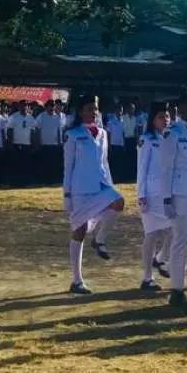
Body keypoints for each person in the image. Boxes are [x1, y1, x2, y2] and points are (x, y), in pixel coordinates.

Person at [63, 93, 125, 295]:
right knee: (78, 233)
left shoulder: (102, 133)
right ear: (80, 112)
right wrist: (67, 195)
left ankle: (99, 239)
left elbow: (104, 162)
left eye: (95, 109)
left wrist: (111, 185)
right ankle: (77, 280)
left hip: (101, 185)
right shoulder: (72, 135)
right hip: (80, 189)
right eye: (89, 109)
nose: (93, 112)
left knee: (118, 202)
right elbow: (68, 167)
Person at [160, 91, 187, 308]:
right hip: (179, 192)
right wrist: (166, 199)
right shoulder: (172, 133)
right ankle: (177, 289)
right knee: (181, 239)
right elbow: (166, 168)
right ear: (180, 110)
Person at [136, 102, 172, 291]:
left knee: (172, 231)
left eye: (167, 116)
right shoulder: (147, 139)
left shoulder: (170, 138)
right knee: (151, 235)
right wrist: (141, 194)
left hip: (167, 194)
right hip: (150, 193)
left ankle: (160, 259)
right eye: (161, 116)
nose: (165, 120)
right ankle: (147, 277)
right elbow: (141, 168)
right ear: (153, 120)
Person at [8, 100, 38, 185]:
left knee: (26, 164)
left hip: (27, 144)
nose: (24, 107)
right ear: (19, 106)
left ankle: (25, 182)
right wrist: (10, 143)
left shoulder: (31, 118)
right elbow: (9, 130)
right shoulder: (14, 116)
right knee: (16, 164)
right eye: (22, 105)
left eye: (25, 105)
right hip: (16, 144)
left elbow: (33, 132)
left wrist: (34, 144)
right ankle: (15, 182)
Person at [37, 99, 63, 184]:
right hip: (44, 144)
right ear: (46, 107)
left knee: (53, 164)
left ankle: (53, 181)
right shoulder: (41, 116)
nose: (52, 107)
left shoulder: (57, 117)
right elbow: (37, 129)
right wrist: (38, 142)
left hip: (54, 144)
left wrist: (60, 143)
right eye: (50, 105)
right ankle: (44, 180)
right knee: (44, 164)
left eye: (53, 105)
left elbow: (59, 131)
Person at [105, 105, 126, 182]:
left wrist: (124, 144)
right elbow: (108, 133)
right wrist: (109, 145)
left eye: (122, 110)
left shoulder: (123, 121)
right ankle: (112, 178)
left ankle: (119, 178)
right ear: (116, 111)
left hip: (120, 144)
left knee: (119, 162)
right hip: (113, 144)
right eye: (119, 110)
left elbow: (123, 134)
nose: (120, 112)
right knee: (113, 162)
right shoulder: (111, 121)